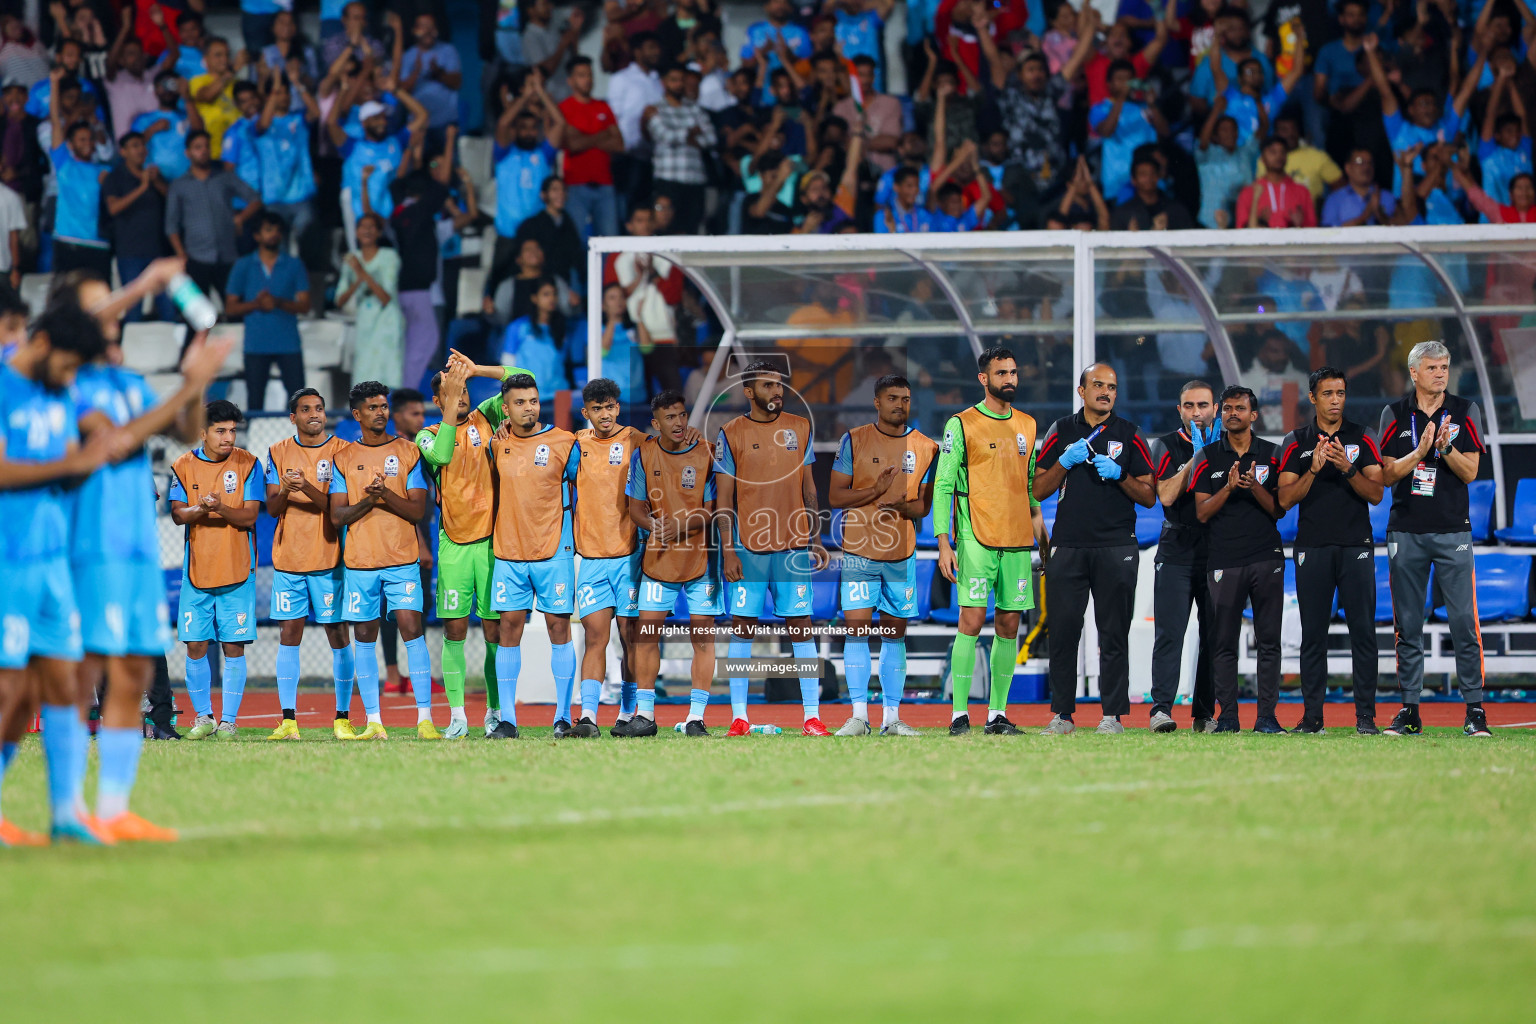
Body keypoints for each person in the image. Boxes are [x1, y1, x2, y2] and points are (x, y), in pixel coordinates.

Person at [66, 263, 225, 840]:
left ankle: (112, 809)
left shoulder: (128, 382)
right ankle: (66, 811)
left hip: (135, 546)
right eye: (101, 318)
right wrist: (144, 287)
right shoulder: (65, 384)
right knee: (80, 677)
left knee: (132, 672)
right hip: (85, 544)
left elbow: (182, 430)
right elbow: (118, 441)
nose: (113, 328)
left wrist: (196, 380)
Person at [0, 302, 115, 845]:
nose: (73, 379)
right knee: (9, 695)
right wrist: (69, 465)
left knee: (64, 686)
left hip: (51, 560)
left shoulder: (57, 392)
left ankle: (67, 815)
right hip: (7, 559)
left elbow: (69, 459)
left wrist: (85, 462)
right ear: (41, 342)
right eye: (69, 366)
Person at [1375, 342, 1491, 738]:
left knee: (1463, 622)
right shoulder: (1394, 413)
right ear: (1414, 372)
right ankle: (1409, 710)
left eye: (1445, 367)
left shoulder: (1465, 410)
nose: (1441, 373)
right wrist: (1420, 451)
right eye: (1432, 367)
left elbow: (1471, 470)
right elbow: (1387, 474)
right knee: (1407, 625)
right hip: (1405, 531)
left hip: (1452, 530)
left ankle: (1475, 710)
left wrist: (1444, 447)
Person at [1033, 363, 1156, 735]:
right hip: (1067, 545)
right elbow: (1038, 489)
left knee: (1113, 634)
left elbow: (1149, 495)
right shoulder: (1061, 430)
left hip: (1117, 545)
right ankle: (1062, 716)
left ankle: (1112, 716)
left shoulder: (1130, 435)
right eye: (1098, 385)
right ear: (1081, 391)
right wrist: (1063, 463)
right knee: (1064, 632)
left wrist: (1120, 475)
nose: (1106, 392)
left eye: (1112, 387)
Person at [933, 346, 1047, 735]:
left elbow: (1030, 486)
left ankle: (997, 714)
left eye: (1013, 372)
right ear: (984, 379)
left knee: (1010, 625)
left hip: (1017, 539)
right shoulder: (961, 424)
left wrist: (1042, 532)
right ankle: (958, 715)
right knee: (971, 619)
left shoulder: (1029, 425)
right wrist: (943, 543)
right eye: (1002, 374)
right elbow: (943, 485)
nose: (1010, 379)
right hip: (975, 537)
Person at [714, 361, 830, 736]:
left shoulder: (800, 427)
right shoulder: (730, 433)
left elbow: (809, 488)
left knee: (802, 628)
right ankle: (739, 717)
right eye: (768, 385)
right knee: (742, 628)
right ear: (749, 392)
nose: (777, 391)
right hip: (748, 548)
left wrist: (815, 537)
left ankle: (812, 717)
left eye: (779, 384)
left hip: (794, 546)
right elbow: (724, 500)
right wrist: (728, 551)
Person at [1277, 367, 1385, 735]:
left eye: (1340, 393)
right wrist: (1314, 469)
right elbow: (1285, 498)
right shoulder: (1295, 441)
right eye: (1327, 393)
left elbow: (1376, 493)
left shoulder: (1363, 437)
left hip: (1356, 545)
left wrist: (1347, 467)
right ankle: (1312, 719)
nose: (1335, 400)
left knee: (1363, 633)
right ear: (1313, 398)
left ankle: (1366, 718)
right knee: (1313, 635)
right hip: (1312, 547)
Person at [829, 374, 937, 736]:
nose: (900, 404)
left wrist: (906, 508)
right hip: (860, 551)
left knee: (895, 635)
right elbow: (836, 497)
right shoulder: (854, 440)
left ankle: (892, 718)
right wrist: (874, 491)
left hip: (900, 553)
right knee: (856, 632)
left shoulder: (925, 446)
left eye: (905, 398)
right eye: (892, 398)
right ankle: (859, 716)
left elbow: (924, 505)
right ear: (877, 402)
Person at [328, 381, 434, 740]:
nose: (380, 412)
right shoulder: (342, 458)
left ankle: (424, 720)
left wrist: (385, 493)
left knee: (412, 630)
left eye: (383, 406)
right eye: (372, 407)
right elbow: (337, 516)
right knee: (363, 635)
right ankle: (374, 720)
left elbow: (418, 510)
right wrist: (368, 501)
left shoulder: (409, 452)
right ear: (357, 414)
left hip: (402, 559)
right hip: (360, 561)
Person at [485, 373, 580, 739]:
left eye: (534, 401)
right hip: (509, 550)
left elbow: (582, 487)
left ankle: (562, 717)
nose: (529, 408)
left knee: (559, 628)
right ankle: (507, 720)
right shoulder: (497, 445)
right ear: (505, 409)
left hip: (553, 548)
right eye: (520, 402)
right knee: (508, 628)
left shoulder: (563, 442)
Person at [627, 389, 723, 736]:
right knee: (646, 636)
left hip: (702, 559)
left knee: (703, 639)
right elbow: (635, 508)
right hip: (658, 559)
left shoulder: (706, 454)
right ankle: (646, 715)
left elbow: (714, 509)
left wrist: (681, 525)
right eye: (671, 417)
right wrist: (655, 527)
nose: (679, 422)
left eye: (683, 415)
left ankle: (696, 717)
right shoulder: (644, 455)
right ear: (656, 423)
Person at [168, 400, 264, 740]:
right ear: (203, 432)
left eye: (233, 431)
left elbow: (250, 516)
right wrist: (201, 507)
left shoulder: (249, 463)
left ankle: (229, 721)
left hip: (238, 572)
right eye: (221, 431)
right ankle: (203, 718)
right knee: (194, 645)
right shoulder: (182, 465)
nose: (228, 437)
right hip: (197, 573)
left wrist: (219, 506)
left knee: (233, 647)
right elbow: (179, 514)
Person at [1192, 385, 1286, 734]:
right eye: (1228, 408)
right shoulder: (1207, 456)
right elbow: (1201, 513)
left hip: (1266, 556)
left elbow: (1278, 509)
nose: (1233, 413)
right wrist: (1229, 489)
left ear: (1254, 414)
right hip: (1224, 558)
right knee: (1224, 641)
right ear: (1221, 414)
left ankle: (1267, 718)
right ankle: (1228, 716)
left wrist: (1253, 486)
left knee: (1268, 641)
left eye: (1240, 408)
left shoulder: (1273, 454)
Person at [264, 387, 355, 741]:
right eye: (306, 409)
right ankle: (288, 721)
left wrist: (305, 489)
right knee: (289, 636)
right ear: (293, 417)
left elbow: (337, 510)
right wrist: (286, 490)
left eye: (319, 408)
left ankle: (342, 719)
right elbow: (272, 509)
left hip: (329, 558)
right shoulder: (277, 452)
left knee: (337, 634)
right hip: (289, 560)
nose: (315, 414)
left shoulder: (342, 452)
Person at [571, 378, 648, 737]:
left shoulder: (636, 440)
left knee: (630, 637)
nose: (604, 414)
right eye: (596, 409)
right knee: (595, 637)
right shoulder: (577, 443)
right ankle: (588, 716)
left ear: (618, 407)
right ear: (586, 412)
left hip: (628, 557)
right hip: (591, 559)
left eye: (610, 407)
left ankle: (628, 712)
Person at [1146, 381, 1219, 733]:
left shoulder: (1228, 444)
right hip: (1176, 549)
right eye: (1188, 406)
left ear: (1215, 409)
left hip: (1217, 549)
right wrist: (1197, 459)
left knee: (1213, 636)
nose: (1196, 413)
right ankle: (1161, 709)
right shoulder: (1165, 445)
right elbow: (1168, 495)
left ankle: (1204, 714)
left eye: (1202, 405)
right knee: (1170, 633)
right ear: (1179, 410)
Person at [165, 129, 262, 303]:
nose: (203, 151)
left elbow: (254, 198)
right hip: (196, 257)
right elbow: (171, 224)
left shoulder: (225, 178)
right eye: (197, 147)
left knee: (235, 310)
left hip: (227, 254)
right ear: (187, 153)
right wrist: (181, 255)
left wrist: (241, 218)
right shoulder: (179, 185)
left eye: (206, 147)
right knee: (200, 316)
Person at [224, 211, 308, 411]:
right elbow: (230, 308)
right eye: (268, 230)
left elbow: (305, 305)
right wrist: (257, 305)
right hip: (255, 344)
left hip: (288, 343)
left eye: (278, 231)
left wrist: (277, 302)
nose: (274, 235)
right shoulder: (243, 265)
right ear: (256, 236)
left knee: (300, 402)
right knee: (255, 402)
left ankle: (302, 442)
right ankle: (255, 441)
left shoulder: (294, 264)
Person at [329, 74, 430, 223]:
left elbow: (422, 116)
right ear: (364, 123)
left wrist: (395, 90)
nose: (382, 122)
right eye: (376, 118)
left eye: (383, 117)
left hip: (388, 213)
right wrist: (343, 90)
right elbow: (331, 124)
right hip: (358, 215)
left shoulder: (395, 142)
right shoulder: (352, 146)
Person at [489, 73, 562, 279]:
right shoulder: (504, 154)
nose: (529, 132)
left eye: (533, 128)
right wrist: (525, 97)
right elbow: (503, 124)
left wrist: (540, 92)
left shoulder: (543, 155)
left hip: (538, 238)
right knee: (498, 289)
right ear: (516, 130)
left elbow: (560, 124)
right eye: (523, 128)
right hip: (508, 237)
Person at [47, 74, 111, 277]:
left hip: (99, 243)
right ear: (71, 145)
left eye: (89, 139)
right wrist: (54, 82)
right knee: (65, 301)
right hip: (68, 241)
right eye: (81, 139)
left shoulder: (105, 171)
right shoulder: (64, 164)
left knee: (98, 304)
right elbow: (56, 121)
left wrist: (107, 185)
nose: (87, 143)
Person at [645, 61, 716, 236]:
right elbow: (662, 135)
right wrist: (690, 134)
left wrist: (681, 136)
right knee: (666, 230)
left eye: (681, 80)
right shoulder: (656, 109)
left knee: (691, 231)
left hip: (695, 181)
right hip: (668, 180)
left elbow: (711, 138)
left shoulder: (695, 109)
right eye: (673, 80)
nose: (678, 84)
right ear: (664, 82)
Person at [336, 212, 403, 387]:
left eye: (372, 227)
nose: (367, 230)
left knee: (386, 376)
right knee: (364, 378)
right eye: (362, 226)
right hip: (364, 323)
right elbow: (340, 300)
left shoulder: (389, 256)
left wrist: (362, 271)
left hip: (386, 322)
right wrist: (358, 278)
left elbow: (385, 298)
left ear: (379, 233)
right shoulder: (351, 260)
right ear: (357, 232)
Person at [559, 55, 622, 242]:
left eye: (589, 75)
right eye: (581, 75)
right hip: (575, 185)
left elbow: (619, 144)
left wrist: (583, 137)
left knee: (610, 242)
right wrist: (602, 135)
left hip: (605, 184)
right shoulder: (564, 108)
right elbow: (570, 144)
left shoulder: (604, 107)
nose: (587, 79)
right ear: (570, 80)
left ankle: (607, 273)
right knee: (575, 241)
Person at [1089, 57, 1166, 201]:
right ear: (1109, 84)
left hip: (1150, 181)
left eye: (1129, 79)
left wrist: (1153, 105)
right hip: (1117, 183)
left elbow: (1165, 132)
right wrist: (1121, 99)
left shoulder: (1144, 107)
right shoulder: (1100, 109)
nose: (1125, 83)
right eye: (1120, 79)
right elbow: (1106, 131)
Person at [399, 11, 462, 133]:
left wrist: (438, 72)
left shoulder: (448, 50)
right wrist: (416, 71)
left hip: (445, 122)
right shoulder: (407, 56)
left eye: (431, 27)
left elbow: (457, 83)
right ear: (414, 30)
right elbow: (402, 92)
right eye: (423, 26)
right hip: (418, 123)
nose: (427, 31)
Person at [1236, 135, 1317, 228]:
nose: (1279, 156)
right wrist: (1260, 221)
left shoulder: (1302, 191)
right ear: (1262, 158)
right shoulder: (1249, 193)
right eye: (1273, 152)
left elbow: (1312, 227)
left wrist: (1299, 225)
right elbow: (1241, 230)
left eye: (1282, 152)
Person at [131, 71, 197, 182]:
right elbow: (132, 147)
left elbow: (199, 133)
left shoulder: (188, 115)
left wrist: (187, 97)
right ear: (155, 91)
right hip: (155, 181)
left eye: (172, 84)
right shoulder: (143, 119)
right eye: (164, 84)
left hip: (188, 181)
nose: (168, 89)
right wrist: (152, 129)